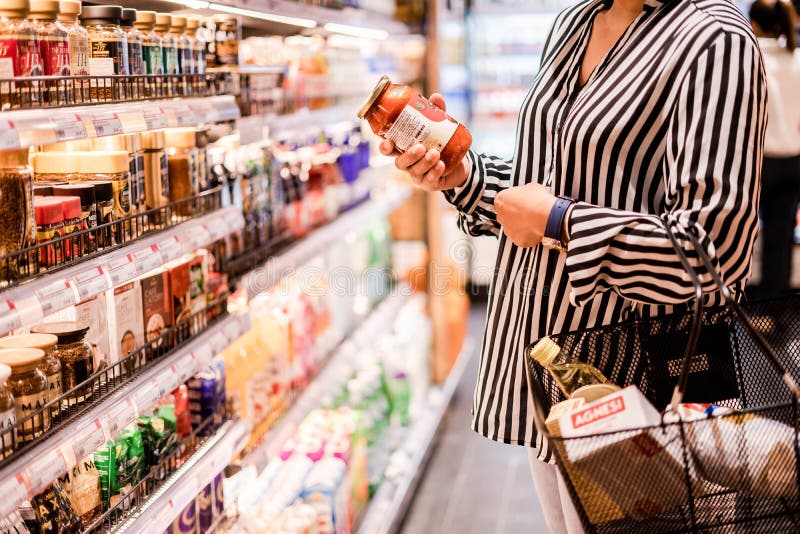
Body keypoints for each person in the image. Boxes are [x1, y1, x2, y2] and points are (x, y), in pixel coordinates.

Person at [379, 0, 767, 531]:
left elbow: (712, 253)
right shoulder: (575, 21)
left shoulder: (712, 38)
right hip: (554, 376)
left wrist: (562, 222)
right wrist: (464, 178)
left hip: (635, 395)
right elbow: (552, 181)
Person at [749, 0, 800, 298]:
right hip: (793, 158)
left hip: (761, 159)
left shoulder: (752, 58)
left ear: (753, 24)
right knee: (780, 238)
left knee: (740, 232)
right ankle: (774, 306)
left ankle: (741, 305)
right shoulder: (795, 59)